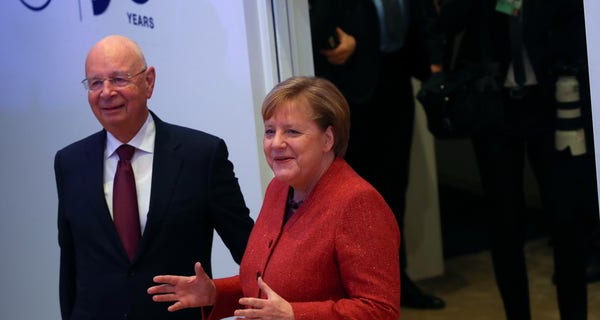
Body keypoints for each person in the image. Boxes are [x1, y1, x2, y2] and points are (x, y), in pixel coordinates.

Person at [147, 76, 401, 319]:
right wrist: (215, 293)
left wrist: (294, 315)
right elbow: (269, 283)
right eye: (270, 131)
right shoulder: (279, 189)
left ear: (327, 139)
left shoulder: (358, 203)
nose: (276, 143)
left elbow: (380, 311)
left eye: (292, 132)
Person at [54, 35, 254, 320]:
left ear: (149, 82)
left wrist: (219, 292)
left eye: (119, 79)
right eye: (95, 83)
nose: (106, 92)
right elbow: (71, 266)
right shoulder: (70, 162)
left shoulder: (202, 156)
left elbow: (253, 255)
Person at [431, 0, 594, 318]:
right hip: (493, 108)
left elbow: (578, 28)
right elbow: (449, 21)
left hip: (554, 105)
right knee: (504, 224)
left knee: (566, 222)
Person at [308, 0, 446, 309]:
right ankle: (355, 291)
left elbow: (422, 18)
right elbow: (317, 19)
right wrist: (346, 43)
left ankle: (395, 281)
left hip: (398, 83)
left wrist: (435, 63)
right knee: (352, 197)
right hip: (351, 91)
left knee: (395, 189)